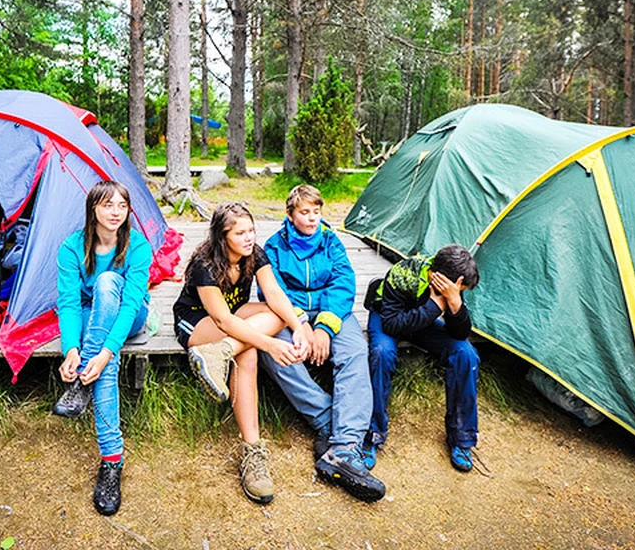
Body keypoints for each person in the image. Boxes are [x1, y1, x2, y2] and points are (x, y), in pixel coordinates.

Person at [173, 202, 310, 505]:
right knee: (250, 350)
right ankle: (253, 450)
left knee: (279, 314)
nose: (249, 238)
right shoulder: (205, 265)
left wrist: (298, 327)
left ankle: (221, 354)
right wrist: (270, 344)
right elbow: (223, 320)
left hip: (232, 319)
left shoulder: (254, 254)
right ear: (223, 238)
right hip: (198, 321)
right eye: (240, 233)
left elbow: (274, 294)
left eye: (251, 230)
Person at [259, 185, 386, 502]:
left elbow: (343, 283)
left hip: (332, 311)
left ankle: (342, 449)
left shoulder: (331, 241)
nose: (312, 218)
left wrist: (325, 329)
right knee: (274, 351)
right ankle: (329, 421)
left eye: (316, 211)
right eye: (304, 212)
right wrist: (301, 324)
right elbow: (271, 291)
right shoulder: (274, 247)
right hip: (290, 315)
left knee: (356, 351)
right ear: (290, 214)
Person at [52, 181, 152, 516]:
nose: (115, 212)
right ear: (92, 208)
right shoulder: (71, 248)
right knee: (101, 360)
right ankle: (112, 460)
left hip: (130, 314)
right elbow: (67, 304)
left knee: (109, 282)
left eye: (122, 206)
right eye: (108, 205)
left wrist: (104, 352)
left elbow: (131, 304)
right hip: (88, 313)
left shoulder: (136, 246)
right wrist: (70, 350)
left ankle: (82, 383)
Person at [366, 244, 480, 472]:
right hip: (388, 317)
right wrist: (435, 306)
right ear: (440, 278)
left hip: (423, 319)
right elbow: (391, 324)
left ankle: (461, 439)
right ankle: (372, 434)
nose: (458, 292)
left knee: (466, 354)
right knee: (382, 354)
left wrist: (455, 303)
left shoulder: (451, 285)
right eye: (458, 290)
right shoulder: (403, 273)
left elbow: (460, 333)